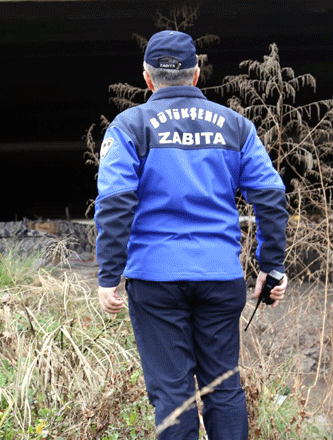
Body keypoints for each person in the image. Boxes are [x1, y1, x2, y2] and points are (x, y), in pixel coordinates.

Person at [94, 30, 289, 440]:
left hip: (155, 279)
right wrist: (271, 268)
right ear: (196, 75)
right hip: (220, 277)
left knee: (172, 394)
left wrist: (109, 275)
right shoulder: (236, 126)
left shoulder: (130, 126)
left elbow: (115, 203)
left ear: (147, 78)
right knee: (223, 389)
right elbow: (271, 197)